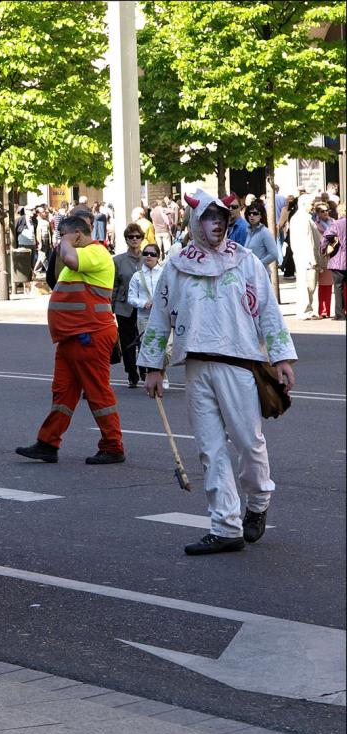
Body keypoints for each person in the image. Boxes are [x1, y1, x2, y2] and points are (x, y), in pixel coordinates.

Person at [137, 189, 296, 556]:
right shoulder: (176, 265)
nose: (218, 225)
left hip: (238, 364)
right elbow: (160, 317)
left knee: (248, 443)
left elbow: (268, 310)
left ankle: (257, 502)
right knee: (210, 449)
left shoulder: (246, 261)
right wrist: (153, 366)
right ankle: (225, 525)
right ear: (195, 222)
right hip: (196, 366)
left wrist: (282, 358)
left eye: (222, 219)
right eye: (210, 218)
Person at [16, 216, 125, 465]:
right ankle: (48, 443)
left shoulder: (96, 252)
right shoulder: (78, 257)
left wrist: (66, 244)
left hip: (90, 334)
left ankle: (113, 445)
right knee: (63, 393)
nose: (60, 241)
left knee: (98, 392)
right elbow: (58, 276)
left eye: (62, 235)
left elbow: (70, 259)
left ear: (77, 235)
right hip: (72, 336)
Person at [125, 243, 169, 388]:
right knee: (149, 347)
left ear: (158, 257)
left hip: (162, 316)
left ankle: (162, 373)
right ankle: (155, 376)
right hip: (144, 317)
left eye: (152, 254)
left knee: (165, 347)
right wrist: (144, 303)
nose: (149, 256)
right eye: (146, 253)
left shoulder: (164, 273)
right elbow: (131, 298)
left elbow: (171, 293)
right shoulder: (137, 276)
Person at [113, 223, 145, 388]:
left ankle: (145, 369)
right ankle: (132, 373)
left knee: (144, 340)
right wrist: (110, 308)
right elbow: (114, 286)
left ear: (142, 238)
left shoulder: (148, 257)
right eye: (130, 237)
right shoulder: (118, 260)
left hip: (144, 307)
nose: (134, 239)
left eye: (137, 236)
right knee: (127, 342)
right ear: (126, 239)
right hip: (124, 306)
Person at [290, 194, 322, 320]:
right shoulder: (302, 219)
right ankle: (306, 311)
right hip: (306, 257)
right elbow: (307, 240)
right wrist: (313, 259)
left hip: (305, 256)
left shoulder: (302, 218)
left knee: (310, 284)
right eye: (311, 204)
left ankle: (309, 310)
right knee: (307, 284)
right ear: (303, 204)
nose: (313, 206)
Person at [321, 212, 346, 321]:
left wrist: (324, 249)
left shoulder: (337, 224)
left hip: (338, 260)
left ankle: (340, 314)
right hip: (340, 260)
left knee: (338, 287)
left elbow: (326, 236)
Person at [243, 202, 280, 268]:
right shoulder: (248, 231)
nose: (251, 215)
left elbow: (274, 254)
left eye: (255, 213)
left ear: (261, 216)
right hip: (250, 273)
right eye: (249, 213)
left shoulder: (264, 232)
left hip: (261, 274)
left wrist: (259, 264)